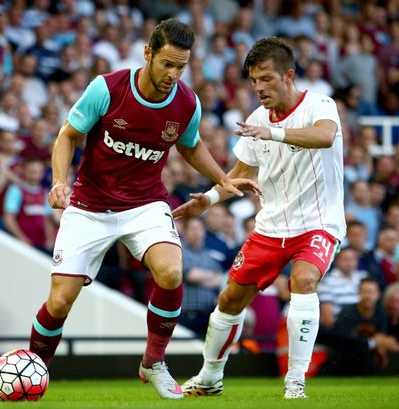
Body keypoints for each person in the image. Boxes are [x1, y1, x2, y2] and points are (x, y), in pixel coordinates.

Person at [28, 19, 256, 400]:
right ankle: (34, 368)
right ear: (148, 53)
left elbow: (190, 144)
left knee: (170, 271)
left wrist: (222, 179)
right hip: (89, 204)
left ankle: (153, 361)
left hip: (146, 203)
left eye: (181, 66)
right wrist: (58, 181)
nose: (173, 74)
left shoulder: (186, 102)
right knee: (60, 300)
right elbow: (68, 135)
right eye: (167, 63)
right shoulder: (107, 88)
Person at [173, 37, 346, 399]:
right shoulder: (255, 120)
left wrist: (274, 133)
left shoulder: (320, 105)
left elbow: (325, 137)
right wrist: (207, 198)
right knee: (230, 299)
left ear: (288, 75)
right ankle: (209, 377)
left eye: (266, 78)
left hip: (318, 222)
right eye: (253, 80)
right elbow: (239, 172)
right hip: (270, 227)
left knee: (304, 280)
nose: (259, 87)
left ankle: (295, 381)